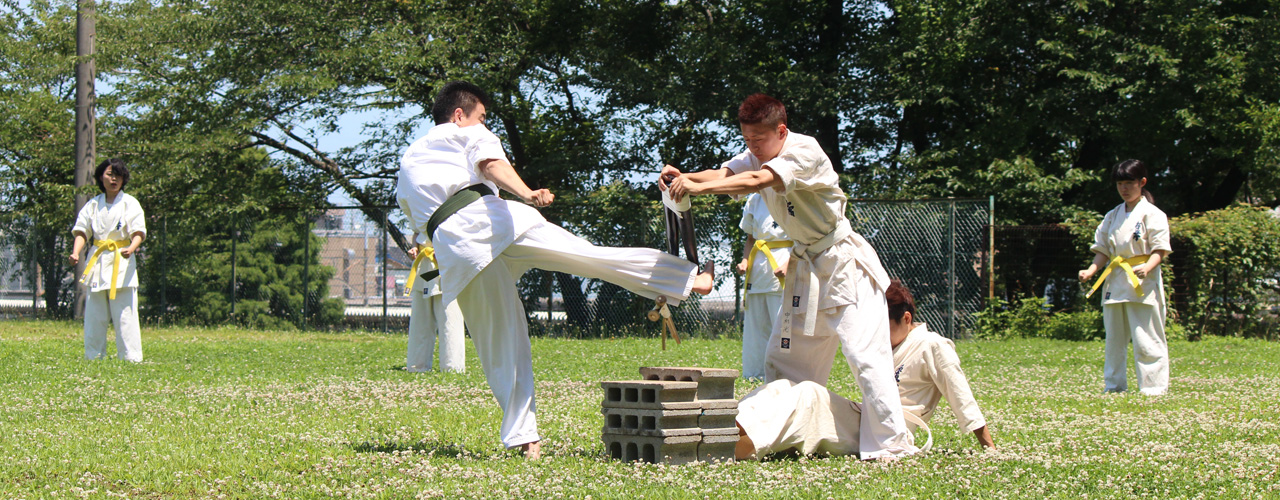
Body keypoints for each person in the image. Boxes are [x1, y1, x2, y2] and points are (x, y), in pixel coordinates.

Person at [396, 81, 714, 459]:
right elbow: (491, 163)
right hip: (492, 222)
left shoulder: (409, 160)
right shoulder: (466, 132)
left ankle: (523, 438)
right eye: (481, 116)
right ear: (460, 114)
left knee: (500, 342)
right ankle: (690, 279)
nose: (484, 122)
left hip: (457, 248)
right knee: (590, 257)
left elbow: (420, 223)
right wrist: (527, 192)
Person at [660, 93, 916, 460]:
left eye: (759, 140)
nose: (753, 147)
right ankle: (778, 431)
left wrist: (698, 188)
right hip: (807, 265)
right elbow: (726, 173)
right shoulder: (759, 151)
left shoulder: (804, 151)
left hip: (845, 266)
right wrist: (684, 177)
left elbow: (755, 181)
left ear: (781, 130)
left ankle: (893, 444)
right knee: (784, 360)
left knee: (865, 357)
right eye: (747, 140)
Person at [734, 280, 995, 459]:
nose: (878, 335)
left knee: (809, 396)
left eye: (884, 327)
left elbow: (962, 397)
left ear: (906, 318)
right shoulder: (888, 347)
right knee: (784, 386)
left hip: (889, 433)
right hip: (864, 420)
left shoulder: (932, 345)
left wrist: (989, 448)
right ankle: (722, 428)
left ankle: (734, 442)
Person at [1078, 159, 1172, 395]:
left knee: (1146, 336)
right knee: (1114, 340)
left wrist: (1148, 267)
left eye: (1129, 182)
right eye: (1120, 183)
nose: (1124, 188)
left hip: (1143, 281)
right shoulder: (1112, 215)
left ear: (1142, 182)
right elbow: (1102, 250)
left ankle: (1153, 387)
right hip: (1116, 279)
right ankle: (1114, 386)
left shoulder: (1153, 214)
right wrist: (1091, 270)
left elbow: (1160, 249)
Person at [68, 158, 147, 362]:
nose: (114, 179)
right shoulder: (93, 205)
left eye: (118, 176)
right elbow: (82, 231)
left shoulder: (130, 203)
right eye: (110, 174)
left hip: (122, 260)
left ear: (123, 179)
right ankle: (94, 356)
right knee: (95, 315)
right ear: (101, 177)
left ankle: (131, 358)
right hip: (98, 259)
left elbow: (138, 231)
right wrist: (76, 252)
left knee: (125, 315)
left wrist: (131, 247)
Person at [735, 192, 791, 379]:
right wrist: (745, 262)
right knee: (755, 327)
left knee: (783, 325)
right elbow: (750, 239)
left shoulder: (792, 196)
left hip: (783, 259)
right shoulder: (754, 199)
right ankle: (755, 373)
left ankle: (782, 374)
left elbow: (802, 240)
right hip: (758, 269)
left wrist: (788, 264)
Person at [399, 232, 465, 373]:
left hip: (446, 264)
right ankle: (417, 366)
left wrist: (446, 250)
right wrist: (415, 247)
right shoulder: (419, 210)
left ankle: (452, 367)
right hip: (424, 267)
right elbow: (417, 232)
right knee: (420, 320)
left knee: (449, 319)